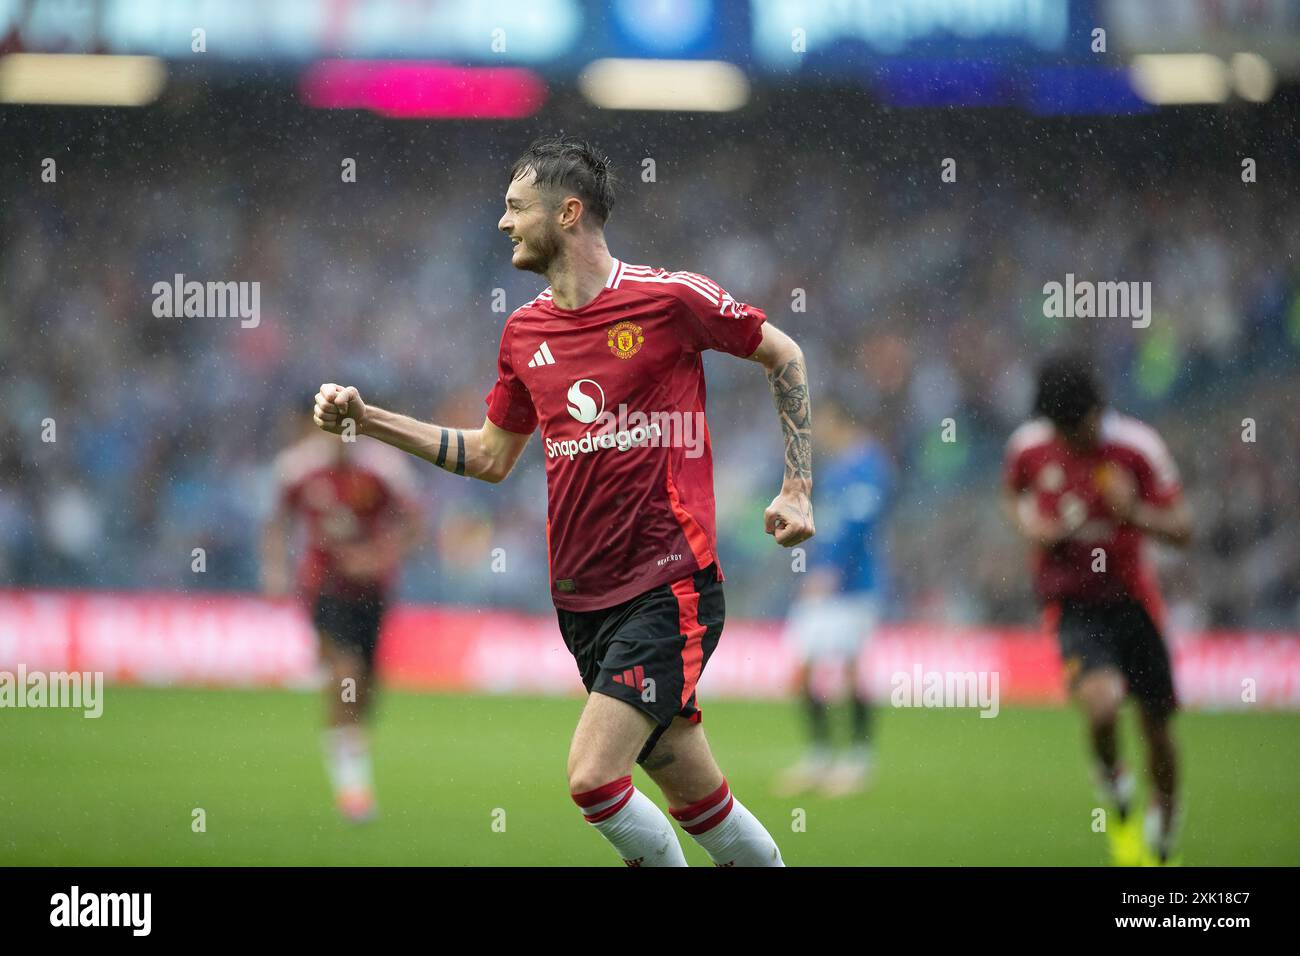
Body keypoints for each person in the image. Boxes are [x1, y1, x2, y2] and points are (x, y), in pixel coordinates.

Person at [311, 135, 815, 866]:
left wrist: (797, 487)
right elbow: (488, 456)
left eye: (516, 207)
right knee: (703, 803)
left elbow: (784, 353)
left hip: (668, 585)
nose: (503, 223)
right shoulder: (524, 334)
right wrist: (370, 420)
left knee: (592, 779)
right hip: (583, 605)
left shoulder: (669, 299)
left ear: (568, 213)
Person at [1003, 353, 1192, 865]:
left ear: (1096, 413)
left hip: (1133, 602)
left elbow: (1184, 529)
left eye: (1076, 428)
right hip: (1072, 604)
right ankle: (1113, 778)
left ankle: (1167, 810)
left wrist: (1136, 515)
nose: (1068, 440)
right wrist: (1034, 529)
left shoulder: (1136, 449)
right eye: (1058, 429)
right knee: (1103, 705)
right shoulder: (1029, 448)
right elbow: (1015, 496)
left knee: (1156, 725)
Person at [262, 422, 424, 823]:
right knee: (346, 674)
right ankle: (353, 790)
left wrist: (379, 557)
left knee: (365, 688)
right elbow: (277, 520)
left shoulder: (384, 470)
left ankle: (349, 744)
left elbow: (414, 524)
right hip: (324, 588)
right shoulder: (299, 469)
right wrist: (276, 568)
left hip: (372, 593)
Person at [775, 397, 891, 798]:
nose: (817, 432)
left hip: (854, 587)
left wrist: (832, 571)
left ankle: (858, 759)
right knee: (804, 669)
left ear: (841, 419)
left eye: (821, 422)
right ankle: (820, 756)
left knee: (852, 669)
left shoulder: (868, 464)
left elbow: (859, 527)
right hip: (824, 586)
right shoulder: (839, 468)